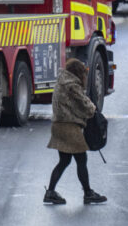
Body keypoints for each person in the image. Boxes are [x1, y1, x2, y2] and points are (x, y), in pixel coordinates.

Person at [44, 59, 106, 205]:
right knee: (81, 160)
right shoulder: (72, 85)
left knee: (64, 161)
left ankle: (50, 192)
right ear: (79, 73)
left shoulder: (62, 81)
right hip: (69, 127)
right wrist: (93, 109)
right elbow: (84, 104)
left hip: (58, 125)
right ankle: (88, 193)